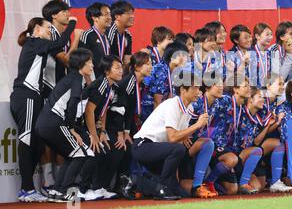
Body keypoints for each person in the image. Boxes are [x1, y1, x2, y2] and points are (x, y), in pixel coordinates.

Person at [10, 16, 78, 202]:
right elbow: (62, 42)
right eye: (47, 27)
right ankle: (26, 189)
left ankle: (29, 189)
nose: (50, 31)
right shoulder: (34, 42)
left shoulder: (37, 46)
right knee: (26, 140)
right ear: (37, 29)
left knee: (37, 143)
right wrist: (72, 24)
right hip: (26, 96)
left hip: (33, 97)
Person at [132, 71, 210, 200]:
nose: (198, 92)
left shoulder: (189, 108)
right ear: (183, 90)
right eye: (195, 88)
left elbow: (178, 138)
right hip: (143, 145)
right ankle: (162, 187)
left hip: (159, 149)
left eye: (199, 88)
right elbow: (173, 138)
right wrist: (197, 125)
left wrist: (184, 136)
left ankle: (137, 182)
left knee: (182, 194)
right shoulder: (172, 104)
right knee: (178, 149)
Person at [35, 48, 95, 202]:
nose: (92, 66)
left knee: (72, 154)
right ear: (81, 64)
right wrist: (72, 129)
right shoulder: (76, 78)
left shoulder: (73, 78)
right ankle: (63, 191)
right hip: (54, 123)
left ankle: (56, 191)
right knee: (81, 153)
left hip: (44, 124)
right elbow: (73, 103)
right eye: (89, 62)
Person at [41, 0, 82, 195]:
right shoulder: (50, 35)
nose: (68, 14)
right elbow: (67, 61)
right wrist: (76, 39)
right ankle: (48, 179)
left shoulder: (59, 35)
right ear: (54, 15)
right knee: (48, 137)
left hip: (59, 90)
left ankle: (59, 180)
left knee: (60, 135)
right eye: (64, 11)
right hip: (47, 89)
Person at [75, 55, 123, 201]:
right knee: (96, 150)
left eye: (121, 67)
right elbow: (89, 111)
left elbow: (103, 111)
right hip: (78, 124)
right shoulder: (100, 85)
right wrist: (94, 135)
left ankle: (98, 187)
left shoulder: (112, 87)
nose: (121, 71)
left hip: (94, 126)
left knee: (112, 150)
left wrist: (102, 132)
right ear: (107, 72)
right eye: (117, 68)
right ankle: (82, 189)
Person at [105, 51, 153, 193]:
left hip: (124, 124)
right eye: (148, 64)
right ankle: (104, 186)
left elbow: (130, 110)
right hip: (112, 123)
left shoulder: (138, 83)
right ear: (137, 67)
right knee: (120, 150)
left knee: (129, 150)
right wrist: (120, 133)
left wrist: (127, 132)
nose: (151, 67)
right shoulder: (128, 82)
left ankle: (122, 185)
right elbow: (118, 110)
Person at [204, 77, 252, 195]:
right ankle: (208, 181)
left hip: (229, 149)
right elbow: (208, 113)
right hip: (215, 144)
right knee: (232, 159)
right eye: (245, 86)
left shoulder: (242, 109)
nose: (249, 88)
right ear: (235, 89)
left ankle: (215, 181)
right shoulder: (224, 100)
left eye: (249, 85)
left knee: (232, 190)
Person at [141, 41, 190, 120]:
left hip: (163, 111)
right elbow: (157, 101)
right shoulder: (160, 71)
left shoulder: (176, 71)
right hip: (149, 113)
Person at [79, 2, 112, 80]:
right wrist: (90, 85)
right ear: (95, 18)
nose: (110, 17)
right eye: (106, 14)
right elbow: (82, 62)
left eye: (110, 14)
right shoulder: (87, 35)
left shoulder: (107, 36)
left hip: (105, 80)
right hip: (93, 82)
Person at [106, 0, 134, 67]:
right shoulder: (109, 32)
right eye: (128, 13)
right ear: (117, 17)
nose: (132, 16)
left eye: (132, 13)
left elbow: (127, 61)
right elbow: (105, 59)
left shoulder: (128, 35)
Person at [250, 23, 273, 88]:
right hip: (253, 90)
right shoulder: (250, 53)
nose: (270, 37)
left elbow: (269, 73)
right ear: (257, 36)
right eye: (267, 35)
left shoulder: (269, 53)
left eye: (271, 34)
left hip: (266, 88)